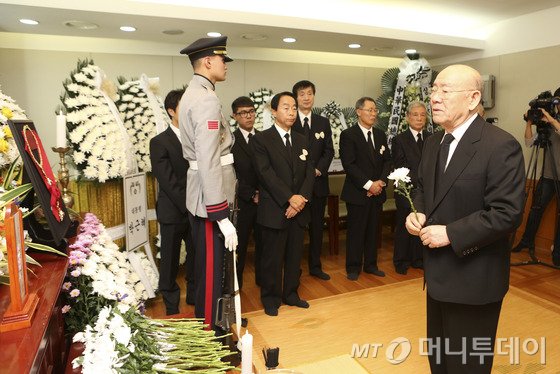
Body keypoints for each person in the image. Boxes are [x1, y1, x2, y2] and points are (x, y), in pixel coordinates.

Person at [405, 64, 525, 373]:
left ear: (473, 99)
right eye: (434, 90)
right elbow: (423, 189)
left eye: (445, 91)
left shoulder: (500, 145)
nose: (434, 98)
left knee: (467, 366)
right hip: (437, 278)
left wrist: (450, 234)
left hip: (474, 280)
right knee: (440, 362)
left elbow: (507, 213)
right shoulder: (433, 143)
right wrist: (416, 210)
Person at [178, 36, 238, 331]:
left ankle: (213, 323)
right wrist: (220, 213)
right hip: (210, 197)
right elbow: (209, 157)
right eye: (223, 60)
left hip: (202, 192)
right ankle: (211, 333)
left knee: (209, 266)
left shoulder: (195, 93)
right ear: (208, 61)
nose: (226, 65)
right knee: (213, 269)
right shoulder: (205, 98)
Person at [250, 92, 315, 316]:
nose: (291, 112)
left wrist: (299, 201)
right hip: (274, 209)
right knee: (272, 258)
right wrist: (290, 198)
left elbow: (309, 174)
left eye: (294, 108)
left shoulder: (302, 139)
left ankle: (291, 293)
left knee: (294, 255)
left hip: (298, 210)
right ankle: (270, 297)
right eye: (286, 107)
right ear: (273, 111)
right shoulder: (261, 139)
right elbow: (265, 174)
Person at [150, 88, 196, 315]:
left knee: (196, 257)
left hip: (196, 210)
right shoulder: (159, 142)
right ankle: (170, 302)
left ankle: (196, 295)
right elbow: (167, 180)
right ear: (171, 111)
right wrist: (189, 203)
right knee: (169, 260)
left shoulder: (197, 138)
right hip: (173, 210)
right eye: (183, 106)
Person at [339, 97, 391, 280]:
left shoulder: (380, 135)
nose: (373, 113)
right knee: (356, 232)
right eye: (369, 110)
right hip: (358, 193)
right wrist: (369, 185)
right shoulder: (348, 135)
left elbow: (387, 162)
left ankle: (371, 265)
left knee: (373, 231)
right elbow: (350, 164)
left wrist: (380, 183)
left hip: (377, 193)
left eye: (375, 110)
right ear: (358, 112)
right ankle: (353, 268)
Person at [291, 80, 334, 280]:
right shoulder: (290, 121)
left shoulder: (322, 122)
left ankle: (315, 266)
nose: (306, 97)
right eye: (302, 94)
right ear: (296, 98)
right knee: (297, 231)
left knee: (317, 228)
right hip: (297, 187)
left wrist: (318, 170)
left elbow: (329, 150)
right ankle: (294, 269)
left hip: (318, 185)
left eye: (309, 93)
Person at [512, 95, 560, 267]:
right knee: (535, 209)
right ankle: (526, 241)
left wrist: (551, 120)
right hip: (547, 176)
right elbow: (528, 142)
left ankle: (558, 253)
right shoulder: (547, 124)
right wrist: (529, 123)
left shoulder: (553, 123)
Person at [391, 101, 431, 275]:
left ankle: (418, 259)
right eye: (415, 114)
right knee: (404, 226)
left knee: (422, 225)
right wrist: (421, 180)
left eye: (422, 114)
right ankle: (401, 260)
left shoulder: (433, 138)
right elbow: (400, 166)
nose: (419, 118)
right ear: (408, 117)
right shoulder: (399, 140)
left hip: (426, 192)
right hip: (406, 190)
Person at [230, 96, 263, 288]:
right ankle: (236, 286)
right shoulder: (230, 141)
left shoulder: (264, 137)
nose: (248, 116)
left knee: (264, 244)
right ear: (235, 116)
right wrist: (251, 193)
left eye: (251, 111)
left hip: (265, 200)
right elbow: (231, 174)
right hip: (242, 202)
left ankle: (263, 280)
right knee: (240, 247)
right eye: (243, 113)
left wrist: (263, 193)